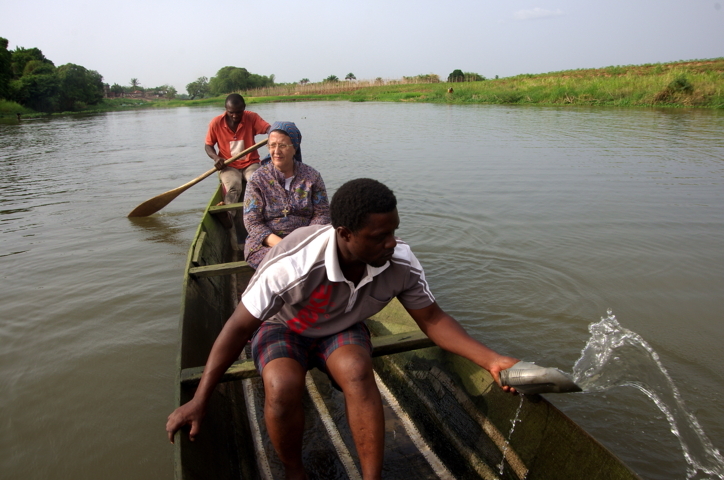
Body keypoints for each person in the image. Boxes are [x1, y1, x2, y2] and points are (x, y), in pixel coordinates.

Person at [166, 178, 519, 480]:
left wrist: (491, 359)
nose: (392, 242)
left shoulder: (399, 261)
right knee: (281, 385)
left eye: (394, 231)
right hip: (285, 325)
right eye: (380, 236)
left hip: (341, 325)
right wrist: (200, 399)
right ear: (345, 234)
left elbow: (432, 319)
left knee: (357, 370)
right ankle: (294, 471)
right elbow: (237, 328)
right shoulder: (294, 263)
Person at [243, 121, 330, 269]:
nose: (276, 151)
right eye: (272, 145)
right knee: (282, 266)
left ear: (295, 148)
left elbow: (322, 214)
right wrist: (285, 246)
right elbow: (252, 222)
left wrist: (305, 242)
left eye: (282, 145)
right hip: (268, 244)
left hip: (307, 240)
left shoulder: (312, 176)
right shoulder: (258, 179)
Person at [205, 93, 270, 225]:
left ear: (244, 108)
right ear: (226, 109)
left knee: (255, 181)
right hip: (228, 165)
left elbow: (268, 128)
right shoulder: (216, 123)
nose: (235, 116)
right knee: (234, 185)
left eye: (238, 112)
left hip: (250, 163)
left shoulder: (251, 117)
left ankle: (262, 213)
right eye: (231, 113)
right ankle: (229, 216)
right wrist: (216, 158)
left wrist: (275, 133)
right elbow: (208, 145)